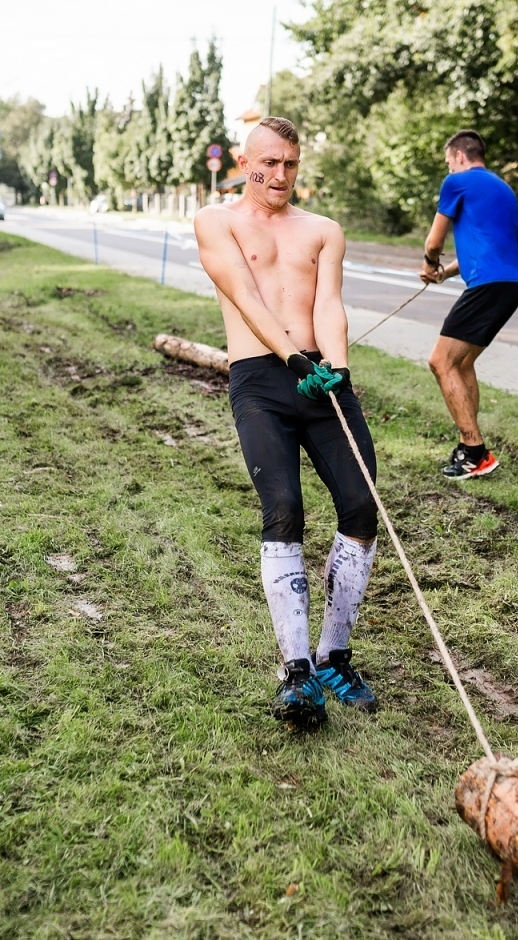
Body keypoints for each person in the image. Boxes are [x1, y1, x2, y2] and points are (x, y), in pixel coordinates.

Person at [194, 116, 380, 733]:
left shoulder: (324, 230)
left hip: (322, 380)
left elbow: (328, 304)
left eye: (291, 164)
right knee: (284, 508)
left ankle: (334, 657)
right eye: (269, 163)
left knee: (360, 506)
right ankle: (296, 672)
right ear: (245, 164)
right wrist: (293, 357)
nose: (280, 175)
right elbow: (244, 295)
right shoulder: (214, 221)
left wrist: (339, 369)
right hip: (262, 383)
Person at [419, 130, 518, 479]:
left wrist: (430, 262)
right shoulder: (502, 189)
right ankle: (471, 448)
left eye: (449, 161)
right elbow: (488, 246)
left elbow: (434, 241)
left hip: (488, 287)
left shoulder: (456, 182)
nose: (448, 167)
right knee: (461, 365)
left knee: (440, 361)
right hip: (509, 285)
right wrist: (445, 275)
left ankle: (474, 450)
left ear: (460, 157)